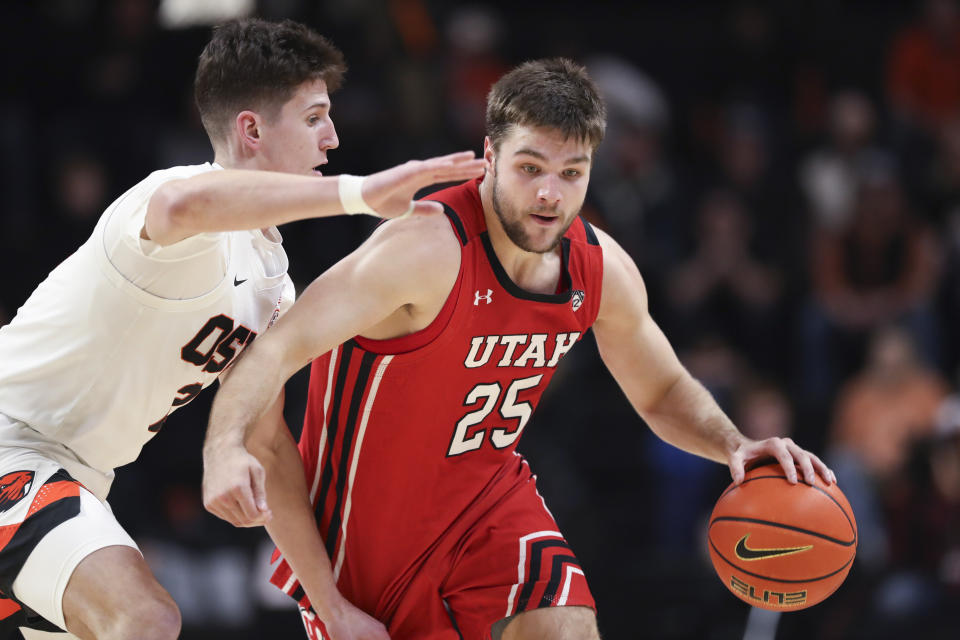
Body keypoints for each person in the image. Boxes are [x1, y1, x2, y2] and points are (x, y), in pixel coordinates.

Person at [205, 58, 835, 640]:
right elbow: (272, 351)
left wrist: (734, 445)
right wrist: (224, 446)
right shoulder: (424, 251)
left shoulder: (599, 269)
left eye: (571, 173)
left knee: (568, 627)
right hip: (363, 544)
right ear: (490, 156)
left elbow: (664, 390)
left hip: (488, 506)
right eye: (530, 167)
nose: (549, 195)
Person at [0, 17, 484, 640]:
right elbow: (188, 207)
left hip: (78, 479)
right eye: (313, 118)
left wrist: (331, 609)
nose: (332, 139)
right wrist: (359, 194)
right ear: (251, 129)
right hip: (14, 444)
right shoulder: (173, 196)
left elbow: (266, 441)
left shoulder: (270, 281)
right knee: (144, 618)